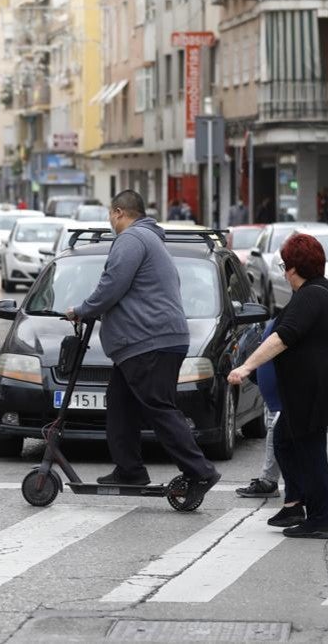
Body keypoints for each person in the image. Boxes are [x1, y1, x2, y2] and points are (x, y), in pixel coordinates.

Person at [65, 190, 221, 506]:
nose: (110, 221)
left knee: (157, 406)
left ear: (119, 212)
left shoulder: (131, 240)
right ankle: (129, 470)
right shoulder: (150, 240)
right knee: (120, 403)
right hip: (147, 341)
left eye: (111, 214)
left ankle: (200, 469)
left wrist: (84, 309)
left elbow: (112, 284)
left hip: (148, 341)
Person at [226, 233, 328, 539]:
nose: (283, 271)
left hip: (314, 390)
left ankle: (320, 518)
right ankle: (295, 504)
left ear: (295, 267)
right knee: (284, 440)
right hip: (310, 388)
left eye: (285, 265)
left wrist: (246, 366)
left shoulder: (311, 295)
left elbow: (281, 338)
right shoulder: (318, 291)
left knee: (310, 450)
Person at [235, 318, 328, 505]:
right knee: (282, 424)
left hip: (309, 384)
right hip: (303, 383)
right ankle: (269, 480)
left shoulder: (307, 309)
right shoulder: (300, 309)